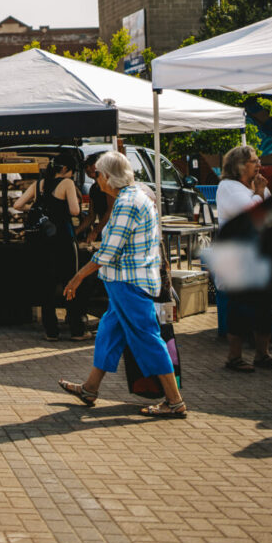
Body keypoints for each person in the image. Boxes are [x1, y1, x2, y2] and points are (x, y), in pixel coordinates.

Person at [58, 152, 188, 418]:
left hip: (130, 283)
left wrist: (78, 276)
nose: (96, 181)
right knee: (108, 332)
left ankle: (174, 401)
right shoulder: (136, 195)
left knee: (147, 338)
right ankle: (90, 388)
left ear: (108, 177)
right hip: (126, 282)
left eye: (98, 175)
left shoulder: (127, 202)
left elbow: (109, 251)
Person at [215, 144, 272, 372]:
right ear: (239, 165)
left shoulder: (256, 187)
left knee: (266, 305)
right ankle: (233, 357)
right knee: (240, 307)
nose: (259, 165)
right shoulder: (228, 187)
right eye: (254, 161)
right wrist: (259, 194)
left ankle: (262, 354)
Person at [13, 153, 87, 342]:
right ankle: (77, 330)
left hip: (43, 242)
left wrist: (38, 210)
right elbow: (75, 211)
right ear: (64, 169)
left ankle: (51, 330)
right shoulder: (67, 184)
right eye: (71, 171)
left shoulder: (39, 184)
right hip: (63, 239)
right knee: (70, 282)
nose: (71, 175)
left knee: (46, 284)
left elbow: (18, 204)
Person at [77, 152, 112, 245]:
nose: (88, 168)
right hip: (103, 230)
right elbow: (91, 216)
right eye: (85, 166)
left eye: (91, 164)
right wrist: (75, 232)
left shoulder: (110, 186)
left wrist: (95, 231)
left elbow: (110, 212)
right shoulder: (93, 189)